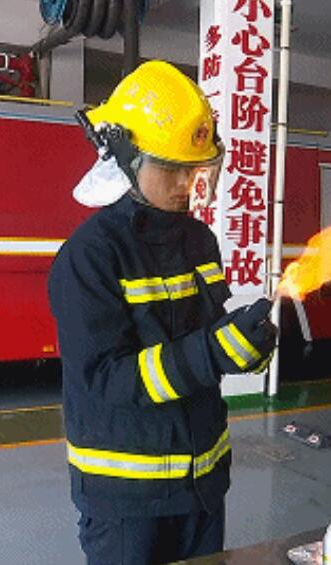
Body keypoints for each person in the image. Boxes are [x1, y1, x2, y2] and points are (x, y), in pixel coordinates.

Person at [48, 60, 277, 564]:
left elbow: (207, 337)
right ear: (127, 157)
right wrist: (214, 353)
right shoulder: (90, 256)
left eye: (196, 169)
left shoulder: (199, 240)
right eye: (171, 168)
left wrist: (246, 346)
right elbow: (104, 378)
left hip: (202, 488)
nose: (187, 183)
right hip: (127, 501)